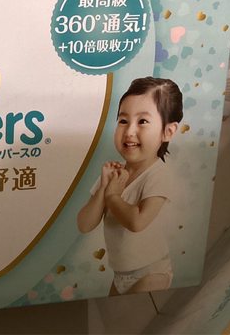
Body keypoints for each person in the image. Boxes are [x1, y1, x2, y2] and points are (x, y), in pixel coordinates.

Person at [77, 77, 183, 295]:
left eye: (142, 121)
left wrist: (113, 196)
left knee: (133, 312)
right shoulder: (114, 175)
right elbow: (84, 224)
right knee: (113, 313)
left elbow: (137, 222)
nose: (129, 131)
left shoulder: (159, 175)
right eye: (123, 121)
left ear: (168, 132)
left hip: (151, 271)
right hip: (120, 274)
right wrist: (103, 189)